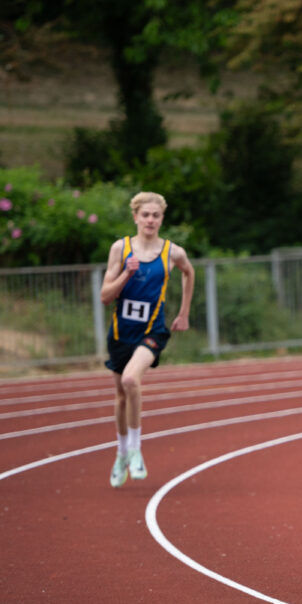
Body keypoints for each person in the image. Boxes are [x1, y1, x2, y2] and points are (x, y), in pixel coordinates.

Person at [100, 191, 195, 488]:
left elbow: (189, 272)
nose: (150, 220)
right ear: (135, 217)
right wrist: (126, 275)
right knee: (120, 396)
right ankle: (121, 454)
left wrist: (184, 313)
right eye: (145, 215)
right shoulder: (121, 248)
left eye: (156, 215)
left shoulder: (172, 252)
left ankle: (135, 449)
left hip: (152, 331)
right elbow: (105, 296)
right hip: (121, 333)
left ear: (162, 219)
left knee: (131, 380)